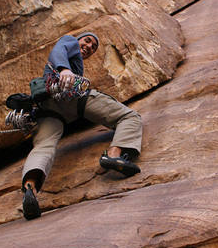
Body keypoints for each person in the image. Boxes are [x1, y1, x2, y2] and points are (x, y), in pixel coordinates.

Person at [22, 31, 142, 220]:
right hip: (72, 98)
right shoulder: (69, 43)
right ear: (78, 39)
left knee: (43, 146)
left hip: (49, 109)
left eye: (93, 47)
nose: (89, 47)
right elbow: (59, 48)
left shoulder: (74, 61)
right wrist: (65, 70)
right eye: (87, 41)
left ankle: (30, 188)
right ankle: (114, 156)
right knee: (129, 116)